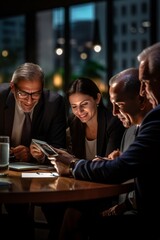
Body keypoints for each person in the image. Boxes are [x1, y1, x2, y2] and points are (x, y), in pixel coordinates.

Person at [52, 42, 160, 240]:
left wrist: (73, 164)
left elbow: (120, 170)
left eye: (145, 83)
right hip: (130, 206)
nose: (143, 90)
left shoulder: (154, 119)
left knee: (76, 220)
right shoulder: (131, 130)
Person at [33, 77, 125, 239]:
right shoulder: (74, 123)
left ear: (97, 98)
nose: (79, 111)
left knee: (71, 213)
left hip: (103, 190)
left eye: (84, 105)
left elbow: (107, 168)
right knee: (50, 205)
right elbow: (71, 160)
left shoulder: (113, 123)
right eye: (74, 107)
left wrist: (73, 162)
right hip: (82, 187)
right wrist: (45, 156)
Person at [0, 62, 67, 239]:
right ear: (13, 87)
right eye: (23, 93)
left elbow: (59, 147)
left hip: (38, 174)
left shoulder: (54, 103)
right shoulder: (0, 97)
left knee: (59, 212)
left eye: (36, 94)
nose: (29, 101)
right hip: (3, 171)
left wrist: (33, 155)